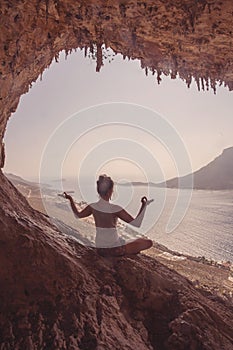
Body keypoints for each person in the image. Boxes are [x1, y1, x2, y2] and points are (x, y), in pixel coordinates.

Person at [64, 174, 153, 257]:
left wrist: (70, 199)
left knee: (128, 241)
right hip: (114, 249)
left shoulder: (93, 207)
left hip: (100, 249)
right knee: (148, 242)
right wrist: (144, 206)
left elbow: (78, 215)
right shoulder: (115, 208)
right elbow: (137, 223)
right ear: (110, 191)